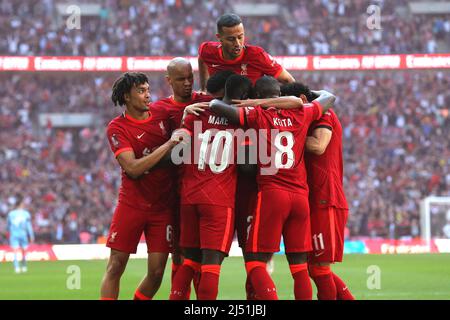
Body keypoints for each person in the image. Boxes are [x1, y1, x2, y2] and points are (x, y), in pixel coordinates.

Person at [209, 76, 336, 300]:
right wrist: (297, 99)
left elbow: (217, 106)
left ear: (257, 97)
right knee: (299, 268)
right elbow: (329, 97)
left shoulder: (258, 114)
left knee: (256, 262)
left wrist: (251, 104)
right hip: (300, 197)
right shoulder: (302, 112)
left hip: (272, 195)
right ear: (280, 95)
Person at [169, 75, 253, 300]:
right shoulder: (243, 123)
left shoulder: (197, 113)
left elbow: (178, 148)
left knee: (189, 261)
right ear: (243, 97)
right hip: (218, 200)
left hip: (189, 197)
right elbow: (247, 168)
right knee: (211, 265)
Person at [100, 72, 182, 300]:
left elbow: (183, 106)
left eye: (148, 90)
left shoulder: (162, 114)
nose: (148, 95)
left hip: (162, 207)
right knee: (116, 266)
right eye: (141, 91)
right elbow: (133, 169)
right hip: (132, 204)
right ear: (127, 96)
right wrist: (169, 144)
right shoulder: (117, 128)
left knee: (156, 273)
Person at [281, 82, 355, 300]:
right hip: (312, 198)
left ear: (302, 100)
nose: (287, 115)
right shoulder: (312, 116)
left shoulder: (324, 115)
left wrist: (286, 130)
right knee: (314, 268)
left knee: (319, 269)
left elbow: (318, 146)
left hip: (326, 198)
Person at [150, 57, 212, 296]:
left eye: (190, 78)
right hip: (172, 193)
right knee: (180, 254)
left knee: (202, 256)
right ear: (168, 81)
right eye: (181, 79)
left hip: (203, 190)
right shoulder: (159, 110)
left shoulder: (206, 102)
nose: (187, 83)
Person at [198, 13, 295, 91]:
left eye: (240, 37)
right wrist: (204, 88)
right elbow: (201, 58)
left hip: (250, 112)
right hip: (217, 110)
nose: (237, 43)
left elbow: (288, 80)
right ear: (219, 38)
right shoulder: (207, 50)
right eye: (231, 39)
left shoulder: (257, 55)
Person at [7, 194, 34, 274]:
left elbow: (8, 225)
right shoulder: (26, 214)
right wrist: (31, 235)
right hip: (23, 234)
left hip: (14, 234)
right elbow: (29, 226)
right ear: (21, 205)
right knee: (24, 250)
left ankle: (17, 267)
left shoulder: (11, 214)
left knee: (15, 251)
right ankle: (24, 266)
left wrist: (9, 232)